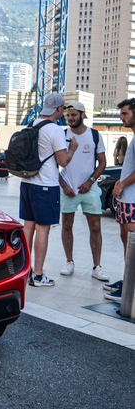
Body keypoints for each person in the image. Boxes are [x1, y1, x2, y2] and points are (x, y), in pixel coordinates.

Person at [19, 93, 78, 287]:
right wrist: (72, 149)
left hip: (28, 183)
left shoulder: (33, 124)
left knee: (28, 228)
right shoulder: (55, 130)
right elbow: (63, 161)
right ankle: (37, 275)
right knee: (43, 230)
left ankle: (25, 271)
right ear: (59, 109)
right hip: (45, 186)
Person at [58, 102, 109, 282]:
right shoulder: (62, 135)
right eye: (68, 116)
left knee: (95, 227)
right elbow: (52, 165)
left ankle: (97, 267)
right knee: (67, 225)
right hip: (68, 189)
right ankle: (69, 262)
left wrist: (90, 181)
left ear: (83, 115)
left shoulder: (94, 135)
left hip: (90, 189)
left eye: (73, 115)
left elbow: (102, 162)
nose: (70, 118)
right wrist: (64, 185)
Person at [106, 98, 135, 302]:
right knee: (126, 241)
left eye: (125, 113)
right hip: (126, 200)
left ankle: (130, 289)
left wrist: (122, 184)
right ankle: (127, 281)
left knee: (132, 244)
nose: (121, 117)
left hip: (132, 199)